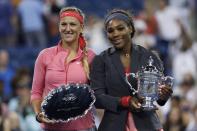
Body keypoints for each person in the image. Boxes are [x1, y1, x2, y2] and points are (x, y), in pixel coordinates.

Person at [90, 9, 173, 131]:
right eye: (110, 31)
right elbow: (97, 98)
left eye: (120, 28)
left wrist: (163, 95)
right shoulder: (100, 60)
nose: (116, 34)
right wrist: (125, 101)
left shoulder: (150, 57)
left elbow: (158, 99)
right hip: (113, 126)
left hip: (147, 125)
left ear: (130, 28)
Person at [31, 6, 96, 131]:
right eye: (64, 24)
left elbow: (99, 92)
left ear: (81, 27)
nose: (68, 29)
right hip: (51, 128)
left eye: (73, 24)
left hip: (84, 128)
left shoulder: (91, 57)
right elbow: (36, 93)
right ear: (59, 26)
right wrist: (39, 114)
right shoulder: (44, 55)